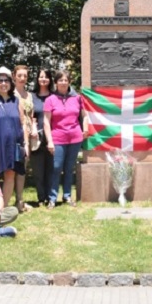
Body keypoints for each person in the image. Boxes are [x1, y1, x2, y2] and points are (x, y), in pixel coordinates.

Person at [43, 69, 91, 208]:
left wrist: (85, 129)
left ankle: (67, 196)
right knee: (56, 167)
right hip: (57, 138)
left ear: (69, 82)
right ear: (56, 82)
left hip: (75, 138)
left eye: (66, 80)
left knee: (69, 168)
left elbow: (85, 115)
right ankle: (52, 197)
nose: (63, 83)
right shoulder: (50, 100)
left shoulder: (77, 98)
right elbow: (46, 121)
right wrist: (50, 141)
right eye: (60, 80)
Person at [0, 68, 30, 207]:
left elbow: (23, 123)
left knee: (11, 175)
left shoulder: (17, 101)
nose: (3, 84)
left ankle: (3, 207)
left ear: (11, 83)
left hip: (14, 144)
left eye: (6, 81)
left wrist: (25, 144)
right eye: (1, 81)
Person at [13, 65, 36, 212]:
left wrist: (33, 128)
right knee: (11, 168)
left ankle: (19, 199)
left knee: (23, 167)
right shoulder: (11, 93)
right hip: (15, 131)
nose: (22, 78)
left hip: (27, 133)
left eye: (25, 76)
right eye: (20, 75)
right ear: (14, 76)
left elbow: (31, 115)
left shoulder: (29, 95)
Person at [30, 68, 55, 206]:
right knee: (38, 169)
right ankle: (41, 197)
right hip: (36, 137)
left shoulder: (54, 96)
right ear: (37, 79)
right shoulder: (32, 96)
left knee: (51, 168)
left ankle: (50, 196)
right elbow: (30, 115)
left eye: (46, 77)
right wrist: (32, 127)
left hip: (52, 136)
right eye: (41, 77)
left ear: (50, 79)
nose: (43, 79)